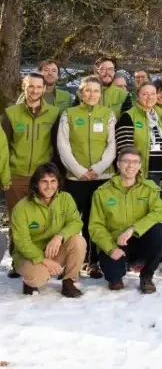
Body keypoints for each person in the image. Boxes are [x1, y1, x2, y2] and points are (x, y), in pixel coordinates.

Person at [1, 72, 60, 277]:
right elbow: (3, 147)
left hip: (43, 177)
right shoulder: (11, 113)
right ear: (24, 87)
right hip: (17, 174)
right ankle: (16, 259)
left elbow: (56, 146)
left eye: (38, 87)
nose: (34, 90)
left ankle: (43, 258)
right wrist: (5, 175)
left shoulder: (54, 113)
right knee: (17, 220)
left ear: (44, 89)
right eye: (30, 86)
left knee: (43, 220)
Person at [57, 75, 116, 278]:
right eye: (87, 90)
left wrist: (98, 168)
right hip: (76, 178)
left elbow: (112, 145)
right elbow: (63, 145)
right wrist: (79, 170)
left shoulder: (108, 114)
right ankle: (69, 261)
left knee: (95, 220)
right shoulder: (69, 114)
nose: (92, 94)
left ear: (100, 94)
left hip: (102, 177)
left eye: (96, 91)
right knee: (72, 220)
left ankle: (92, 261)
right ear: (81, 93)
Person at [89, 146, 162, 292]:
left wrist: (133, 229)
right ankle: (117, 273)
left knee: (159, 230)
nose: (131, 166)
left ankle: (147, 275)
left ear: (140, 165)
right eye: (126, 161)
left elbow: (160, 212)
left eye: (135, 162)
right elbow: (95, 226)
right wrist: (110, 248)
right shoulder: (102, 192)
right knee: (114, 277)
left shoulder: (149, 189)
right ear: (118, 164)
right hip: (115, 242)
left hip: (140, 240)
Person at [10, 162, 85, 297]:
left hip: (54, 250)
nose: (49, 186)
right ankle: (29, 281)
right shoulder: (22, 208)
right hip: (28, 255)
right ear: (36, 184)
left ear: (58, 183)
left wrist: (59, 236)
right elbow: (22, 242)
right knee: (39, 277)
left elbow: (76, 222)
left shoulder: (65, 198)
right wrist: (44, 260)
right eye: (44, 181)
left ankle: (69, 282)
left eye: (53, 181)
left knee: (78, 241)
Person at [116, 82, 162, 186]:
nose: (149, 97)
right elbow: (124, 149)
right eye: (145, 94)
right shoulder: (128, 116)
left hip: (158, 171)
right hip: (138, 172)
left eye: (153, 94)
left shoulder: (159, 116)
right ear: (137, 96)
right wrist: (133, 170)